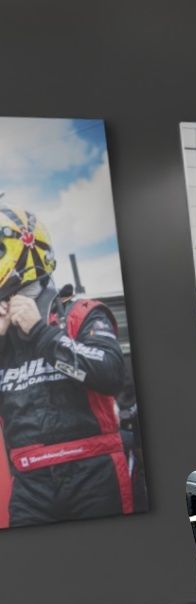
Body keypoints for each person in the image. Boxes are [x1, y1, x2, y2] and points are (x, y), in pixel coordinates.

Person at [0, 208, 136, 526]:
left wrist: (41, 334)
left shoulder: (79, 313)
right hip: (30, 484)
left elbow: (111, 376)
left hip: (95, 473)